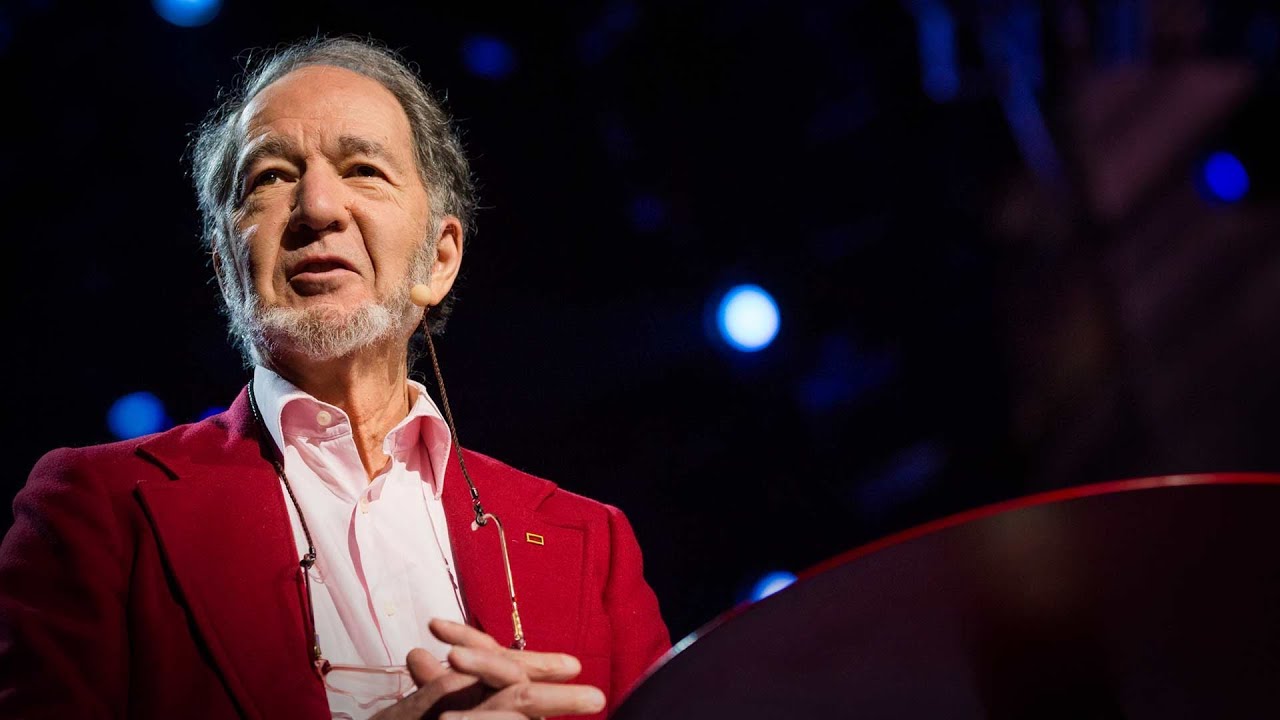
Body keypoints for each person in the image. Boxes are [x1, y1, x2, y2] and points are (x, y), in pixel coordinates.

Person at [0, 35, 670, 720]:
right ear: (227, 266)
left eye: (363, 170)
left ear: (439, 259)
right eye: (270, 177)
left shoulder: (594, 542)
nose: (318, 207)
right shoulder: (97, 509)